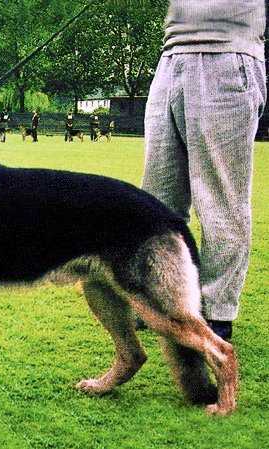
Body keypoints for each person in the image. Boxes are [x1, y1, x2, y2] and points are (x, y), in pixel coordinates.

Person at [141, 0, 266, 340]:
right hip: (171, 57)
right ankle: (162, 296)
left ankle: (216, 312)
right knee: (157, 199)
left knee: (221, 203)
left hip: (228, 55)